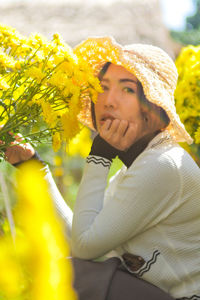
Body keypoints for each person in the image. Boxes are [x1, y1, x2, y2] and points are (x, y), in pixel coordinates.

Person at [5, 36, 200, 300]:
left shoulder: (163, 165)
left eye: (127, 90)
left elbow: (85, 249)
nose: (108, 101)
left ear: (154, 111)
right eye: (103, 87)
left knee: (70, 273)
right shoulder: (133, 170)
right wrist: (32, 167)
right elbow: (81, 236)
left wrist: (100, 154)